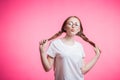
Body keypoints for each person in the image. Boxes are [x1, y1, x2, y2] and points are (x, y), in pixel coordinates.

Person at [39, 16, 101, 80]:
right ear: (64, 27)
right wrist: (42, 52)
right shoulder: (55, 44)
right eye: (70, 23)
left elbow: (83, 70)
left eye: (76, 25)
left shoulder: (79, 46)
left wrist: (97, 56)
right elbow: (47, 68)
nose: (73, 26)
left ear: (79, 29)